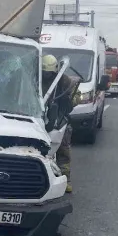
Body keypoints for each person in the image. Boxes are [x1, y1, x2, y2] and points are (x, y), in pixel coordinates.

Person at [41, 54, 80, 194]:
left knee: (63, 150)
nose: (47, 76)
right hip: (40, 116)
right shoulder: (36, 79)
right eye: (44, 73)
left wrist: (69, 100)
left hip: (59, 118)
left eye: (50, 74)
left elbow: (77, 96)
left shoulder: (64, 80)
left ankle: (66, 179)